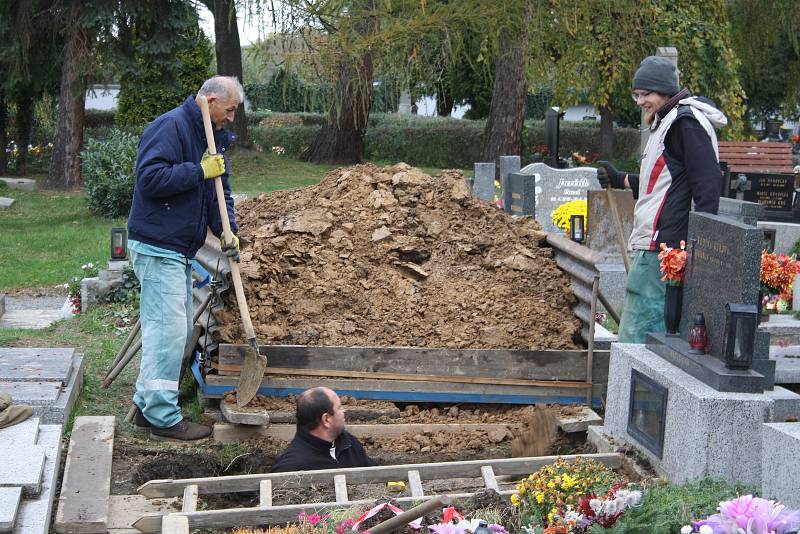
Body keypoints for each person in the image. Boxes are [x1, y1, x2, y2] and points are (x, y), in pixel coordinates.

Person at [127, 75, 243, 441]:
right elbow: (150, 179)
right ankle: (163, 417)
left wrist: (227, 228)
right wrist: (198, 170)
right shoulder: (171, 127)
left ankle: (149, 406)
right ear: (210, 101)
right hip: (158, 244)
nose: (232, 118)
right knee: (169, 332)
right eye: (230, 109)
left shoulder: (211, 138)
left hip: (176, 247)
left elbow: (217, 191)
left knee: (168, 331)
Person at [597, 56, 727, 343]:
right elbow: (664, 182)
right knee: (636, 339)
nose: (640, 101)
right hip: (656, 248)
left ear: (665, 92)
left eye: (646, 94)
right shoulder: (668, 122)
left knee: (638, 342)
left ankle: (629, 389)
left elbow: (706, 186)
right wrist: (620, 180)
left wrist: (701, 250)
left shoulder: (685, 123)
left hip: (663, 251)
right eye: (637, 94)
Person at [270, 387, 376, 472]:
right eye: (339, 408)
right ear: (326, 419)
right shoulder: (292, 467)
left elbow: (378, 476)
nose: (344, 411)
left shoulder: (348, 443)